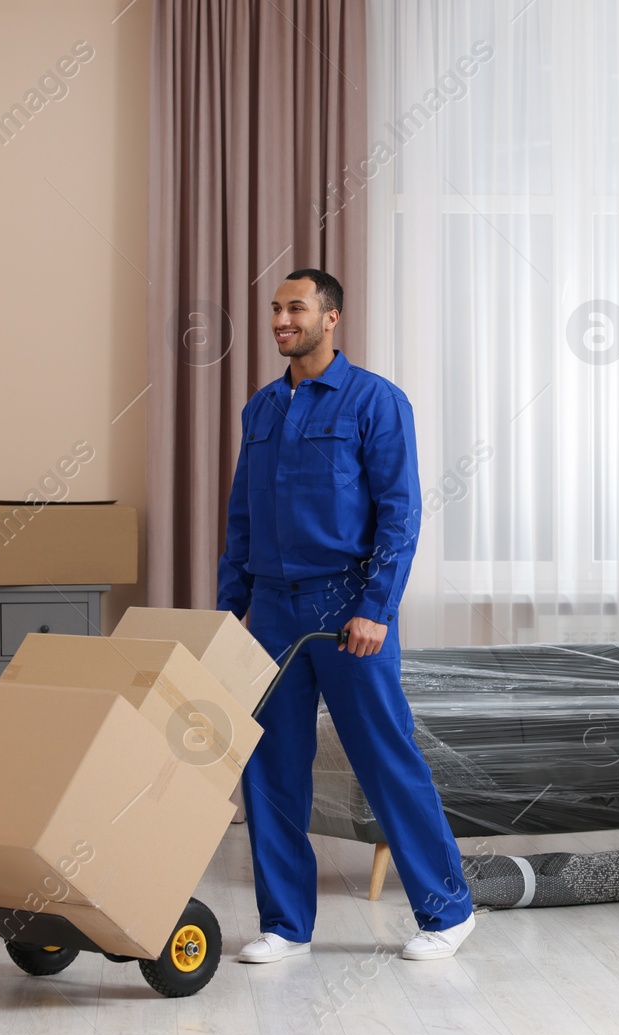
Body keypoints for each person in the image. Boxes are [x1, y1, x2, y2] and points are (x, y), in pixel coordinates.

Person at [217, 267, 476, 962]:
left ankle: (447, 911)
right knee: (271, 763)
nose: (280, 319)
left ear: (331, 318)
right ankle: (285, 925)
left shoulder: (376, 401)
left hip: (345, 604)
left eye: (294, 308)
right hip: (270, 607)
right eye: (274, 308)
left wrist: (377, 607)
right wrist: (229, 608)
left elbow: (401, 511)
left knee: (383, 754)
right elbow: (242, 516)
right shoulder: (262, 410)